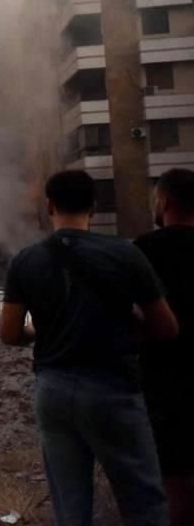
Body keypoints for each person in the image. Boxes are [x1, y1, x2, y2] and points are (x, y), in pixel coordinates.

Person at [0, 170, 178, 526]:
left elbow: (9, 333)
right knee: (143, 500)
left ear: (49, 205)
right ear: (93, 207)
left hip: (54, 390)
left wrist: (41, 329)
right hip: (113, 387)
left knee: (70, 507)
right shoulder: (126, 254)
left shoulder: (26, 260)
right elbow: (166, 327)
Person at [135, 168, 194, 526]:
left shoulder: (145, 251)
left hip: (165, 377)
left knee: (173, 478)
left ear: (165, 201)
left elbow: (131, 316)